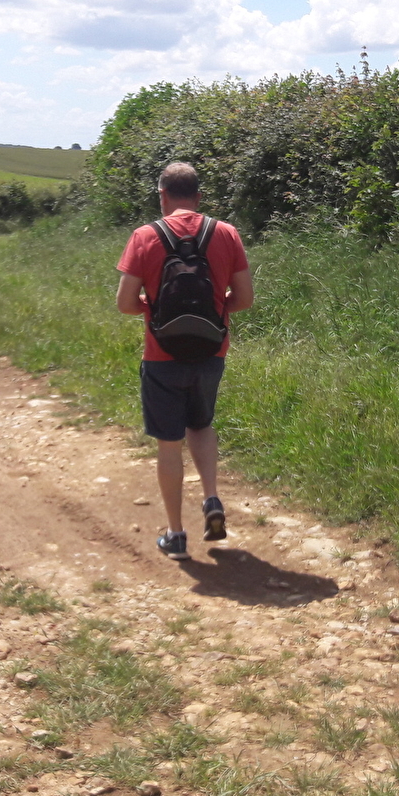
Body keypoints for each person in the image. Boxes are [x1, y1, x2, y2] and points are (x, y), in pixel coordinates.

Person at [115, 162, 254, 560]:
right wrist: (212, 314)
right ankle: (211, 498)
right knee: (202, 423)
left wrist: (155, 311)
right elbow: (243, 299)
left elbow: (126, 303)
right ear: (197, 196)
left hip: (161, 354)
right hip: (211, 350)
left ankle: (176, 534)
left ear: (162, 195)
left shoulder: (145, 236)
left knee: (169, 443)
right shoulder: (225, 233)